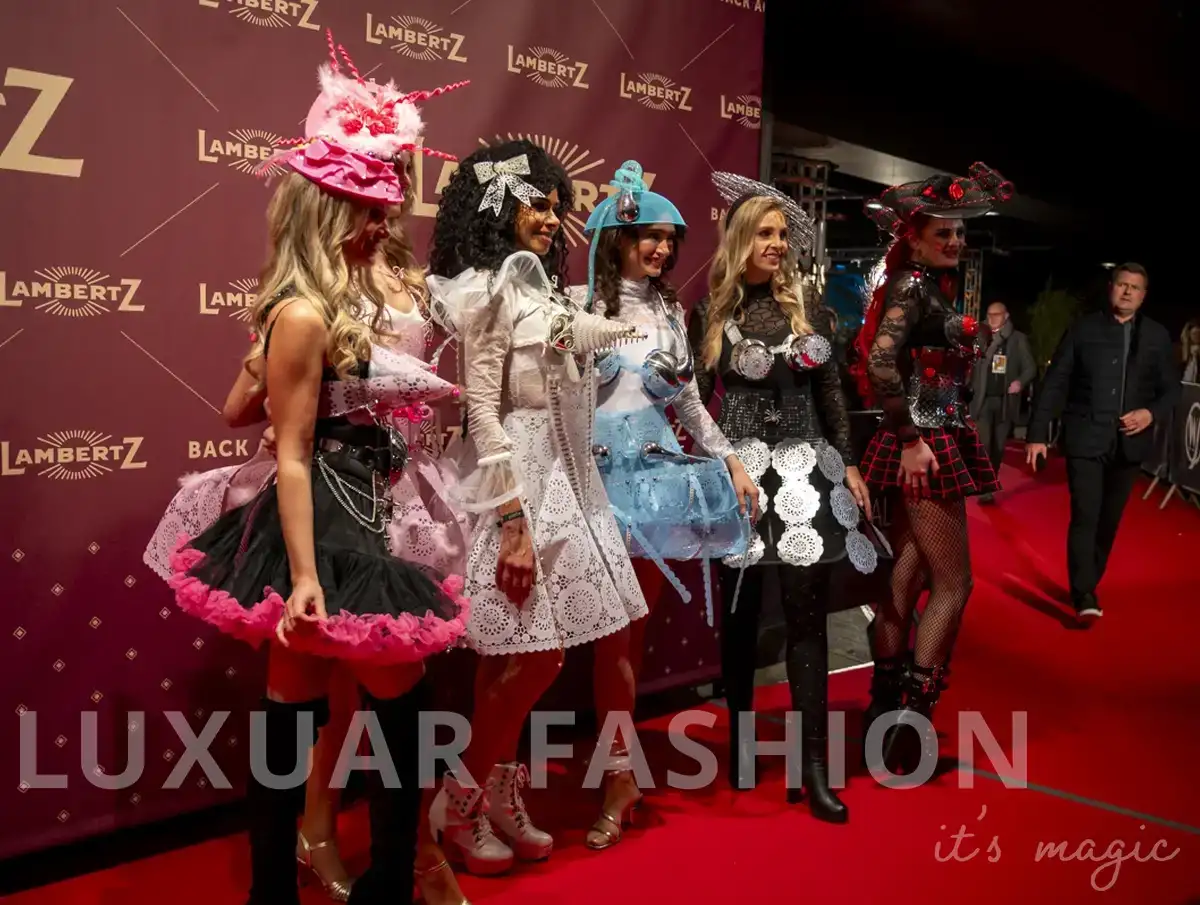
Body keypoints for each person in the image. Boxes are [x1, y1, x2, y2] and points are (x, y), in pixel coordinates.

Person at [149, 34, 471, 905]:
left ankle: (319, 885)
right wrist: (300, 575)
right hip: (325, 512)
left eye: (387, 208)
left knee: (311, 701)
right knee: (377, 702)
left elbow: (260, 413)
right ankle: (369, 883)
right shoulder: (300, 311)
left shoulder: (350, 298)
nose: (383, 225)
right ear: (327, 215)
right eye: (366, 210)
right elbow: (283, 447)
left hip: (366, 500)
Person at [424, 140, 649, 877]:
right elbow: (483, 413)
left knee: (515, 653)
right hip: (516, 491)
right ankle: (457, 801)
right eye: (538, 206)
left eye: (558, 208)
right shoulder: (488, 292)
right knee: (536, 654)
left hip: (571, 487)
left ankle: (495, 796)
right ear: (499, 209)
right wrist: (513, 520)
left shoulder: (546, 293)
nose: (553, 220)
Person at [568, 161, 754, 849]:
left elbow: (690, 403)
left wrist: (729, 457)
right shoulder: (575, 306)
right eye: (649, 235)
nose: (662, 248)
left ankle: (618, 774)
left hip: (651, 483)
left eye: (670, 239)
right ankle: (602, 773)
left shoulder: (670, 311)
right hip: (591, 480)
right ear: (616, 238)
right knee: (598, 638)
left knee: (630, 635)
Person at [694, 172, 878, 820]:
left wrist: (848, 464)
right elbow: (695, 406)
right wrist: (716, 462)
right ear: (740, 240)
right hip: (740, 481)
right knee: (741, 618)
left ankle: (814, 769)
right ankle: (742, 748)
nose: (776, 244)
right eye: (764, 234)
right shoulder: (711, 314)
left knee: (807, 620)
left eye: (781, 234)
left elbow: (832, 396)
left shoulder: (811, 311)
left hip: (807, 476)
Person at [850, 163, 1013, 774]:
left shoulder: (923, 285)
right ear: (913, 238)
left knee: (906, 578)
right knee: (954, 584)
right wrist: (912, 439)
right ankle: (909, 725)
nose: (955, 241)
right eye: (942, 232)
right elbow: (881, 363)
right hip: (927, 443)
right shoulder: (913, 286)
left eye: (960, 233)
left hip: (927, 438)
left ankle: (884, 712)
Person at [1025, 263, 1179, 625]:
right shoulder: (1084, 328)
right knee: (1085, 516)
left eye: (1135, 288)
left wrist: (1150, 413)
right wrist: (1036, 435)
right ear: (1111, 287)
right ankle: (1084, 594)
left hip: (1130, 444)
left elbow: (1171, 390)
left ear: (1143, 296)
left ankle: (1088, 580)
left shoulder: (1156, 336)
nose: (1127, 292)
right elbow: (1055, 381)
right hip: (1085, 438)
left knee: (1108, 522)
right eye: (1122, 284)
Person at [970, 301, 1035, 501]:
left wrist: (1019, 382)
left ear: (1006, 316)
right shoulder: (980, 337)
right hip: (982, 401)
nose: (992, 319)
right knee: (984, 445)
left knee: (998, 447)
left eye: (996, 314)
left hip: (1005, 402)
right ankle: (984, 486)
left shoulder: (1017, 340)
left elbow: (1030, 368)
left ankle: (990, 482)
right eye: (989, 314)